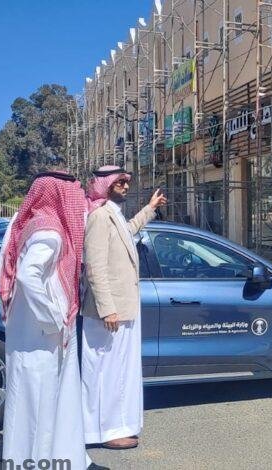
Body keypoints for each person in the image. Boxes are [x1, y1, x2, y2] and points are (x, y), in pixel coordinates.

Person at [0, 170, 92, 469]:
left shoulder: (28, 222)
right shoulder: (50, 231)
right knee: (40, 404)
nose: (79, 199)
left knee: (39, 401)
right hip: (43, 334)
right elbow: (28, 276)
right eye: (74, 193)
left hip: (28, 331)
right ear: (60, 195)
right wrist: (53, 319)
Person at [80, 166, 167, 450]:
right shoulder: (98, 216)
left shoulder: (112, 214)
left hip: (123, 308)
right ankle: (104, 431)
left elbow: (127, 232)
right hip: (110, 312)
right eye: (119, 182)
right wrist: (107, 309)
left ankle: (117, 426)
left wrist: (150, 208)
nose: (126, 186)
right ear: (105, 185)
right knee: (106, 372)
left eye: (127, 182)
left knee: (120, 371)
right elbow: (95, 267)